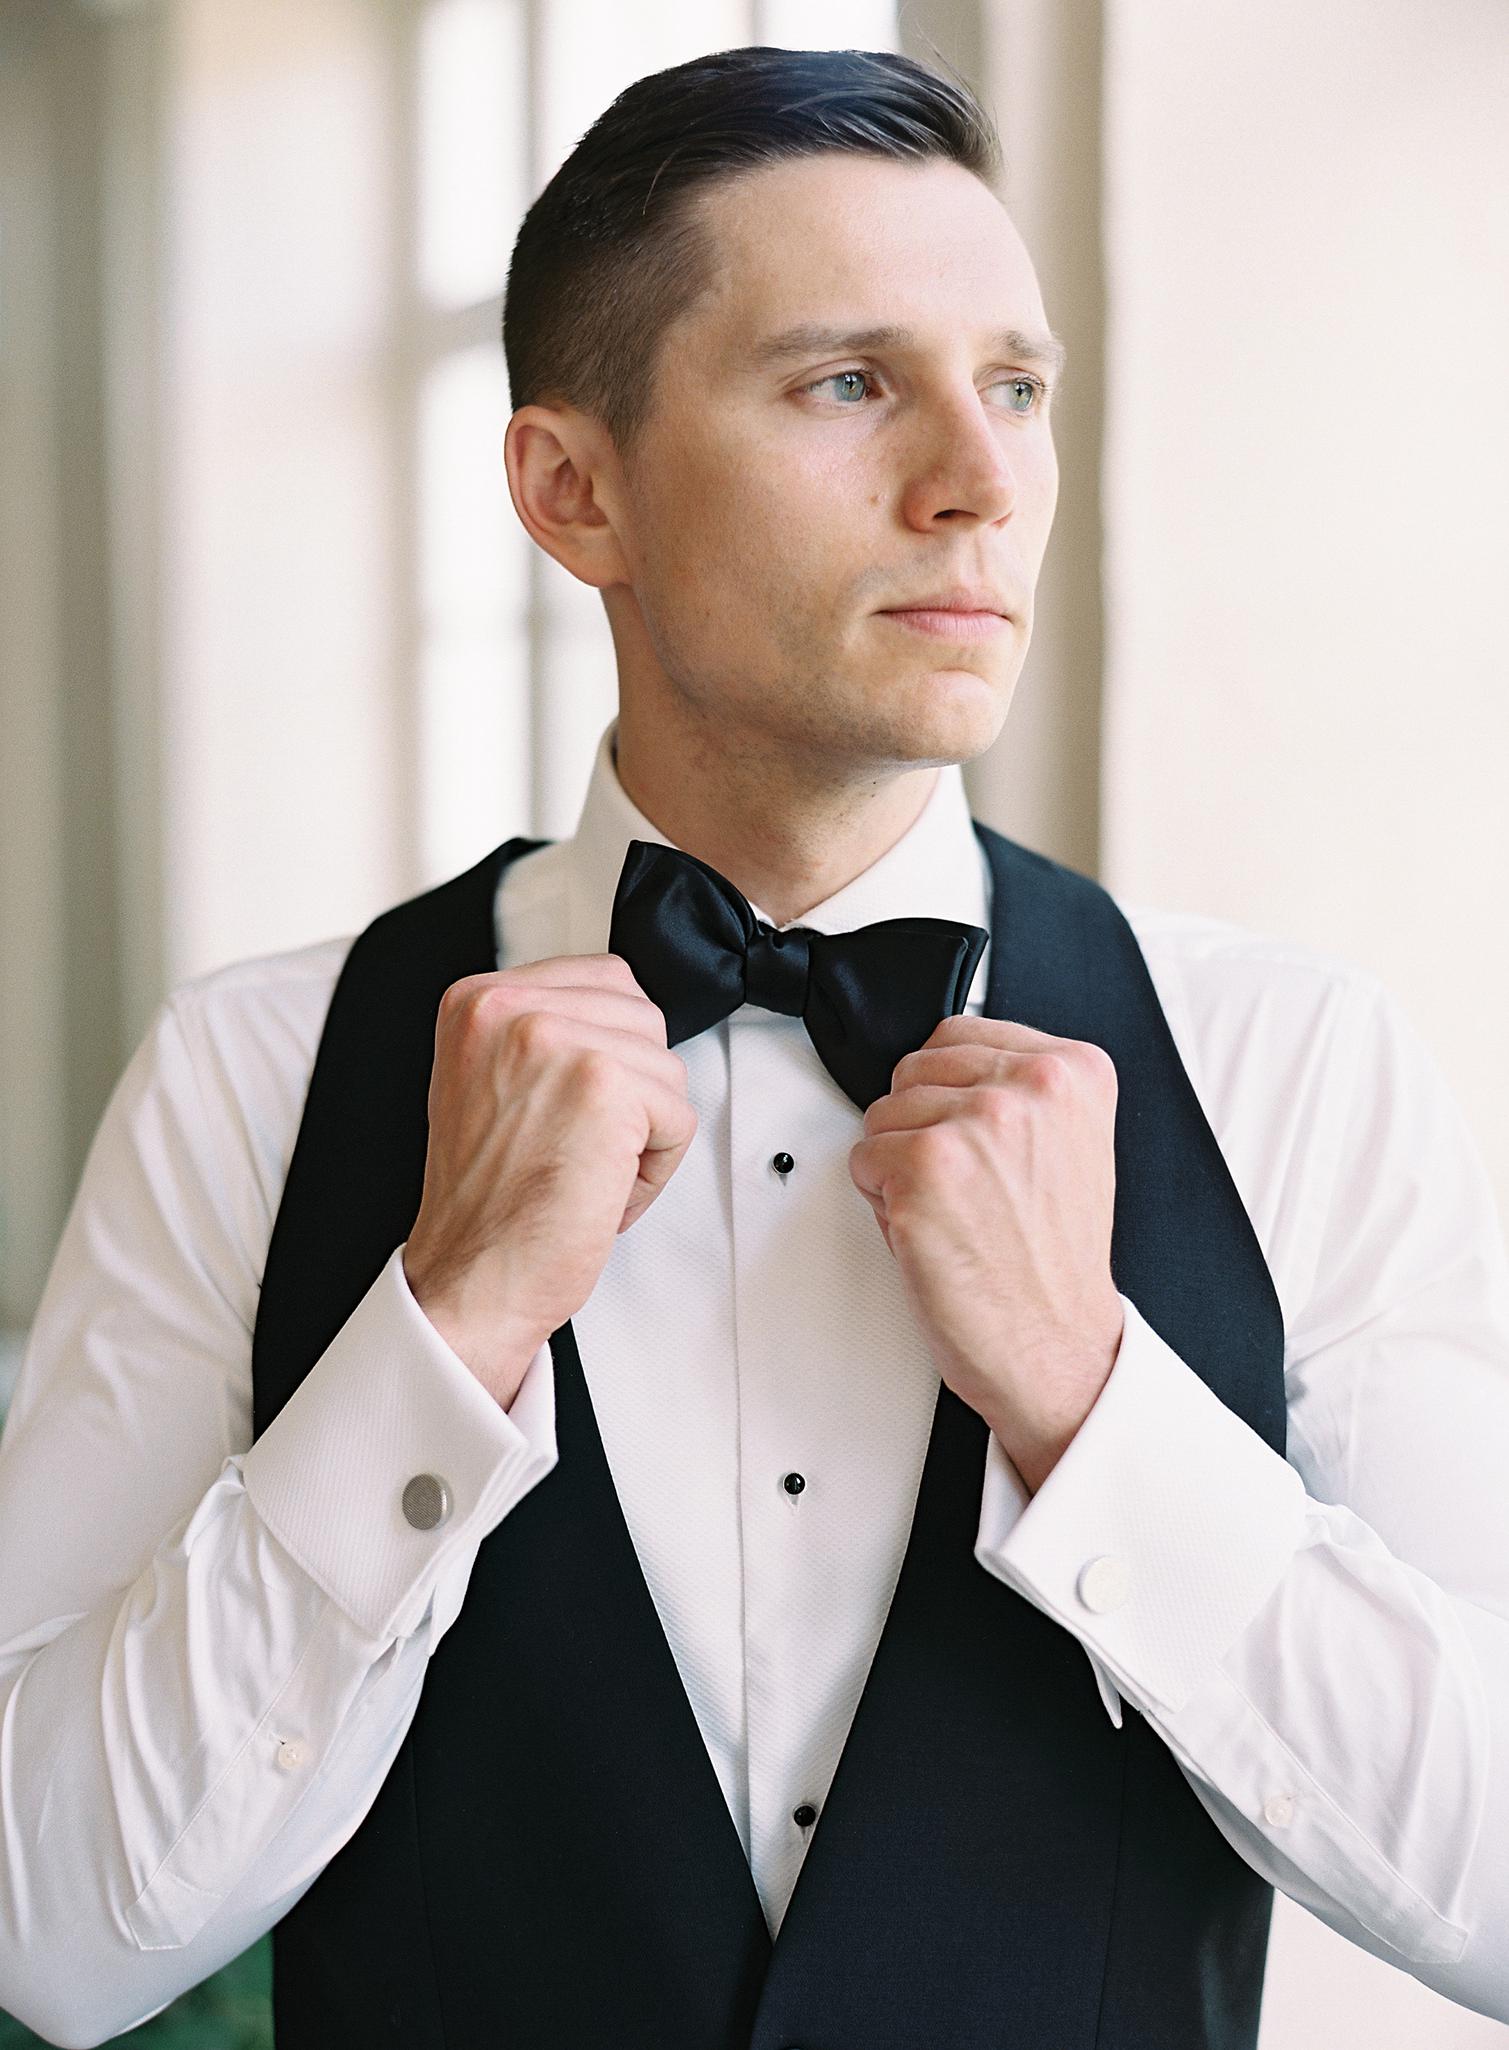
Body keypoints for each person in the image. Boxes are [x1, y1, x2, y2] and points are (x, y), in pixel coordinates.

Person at [1, 41, 1506, 2050]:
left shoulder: (1287, 1062)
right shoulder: (250, 1072)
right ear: (571, 488)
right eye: (844, 380)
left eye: (1015, 384)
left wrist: (1089, 1406)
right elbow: (48, 1930)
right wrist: (433, 1332)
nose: (974, 474)